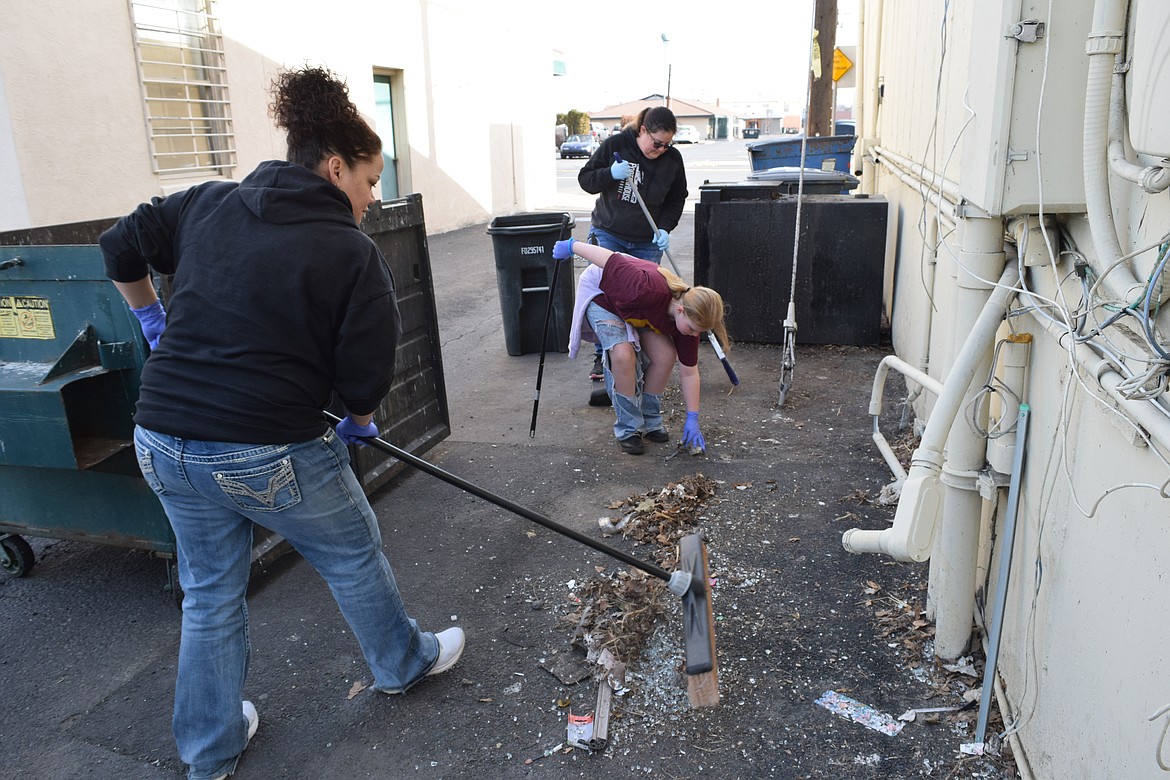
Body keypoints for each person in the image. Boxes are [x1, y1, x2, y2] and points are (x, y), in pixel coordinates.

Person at [100, 66, 463, 780]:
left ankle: (209, 750)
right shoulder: (349, 252)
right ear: (335, 168)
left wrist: (150, 316)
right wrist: (360, 419)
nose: (371, 198)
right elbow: (364, 374)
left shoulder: (208, 203)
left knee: (209, 592)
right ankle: (402, 663)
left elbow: (119, 245)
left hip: (162, 440)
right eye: (368, 180)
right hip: (264, 449)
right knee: (352, 552)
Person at [557, 237, 729, 455]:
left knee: (666, 355)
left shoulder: (688, 322)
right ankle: (629, 428)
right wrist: (572, 246)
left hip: (637, 308)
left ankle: (650, 419)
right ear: (680, 310)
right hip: (603, 294)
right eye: (693, 329)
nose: (695, 335)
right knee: (623, 354)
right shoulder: (645, 288)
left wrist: (693, 416)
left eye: (698, 332)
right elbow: (610, 259)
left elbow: (689, 372)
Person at [577, 106, 688, 402]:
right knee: (607, 299)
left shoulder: (672, 160)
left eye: (668, 144)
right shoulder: (616, 146)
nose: (662, 150)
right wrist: (609, 174)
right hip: (609, 234)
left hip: (647, 242)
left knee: (642, 302)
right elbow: (586, 179)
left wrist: (665, 228)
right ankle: (605, 358)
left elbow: (678, 199)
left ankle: (636, 361)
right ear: (642, 131)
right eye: (656, 143)